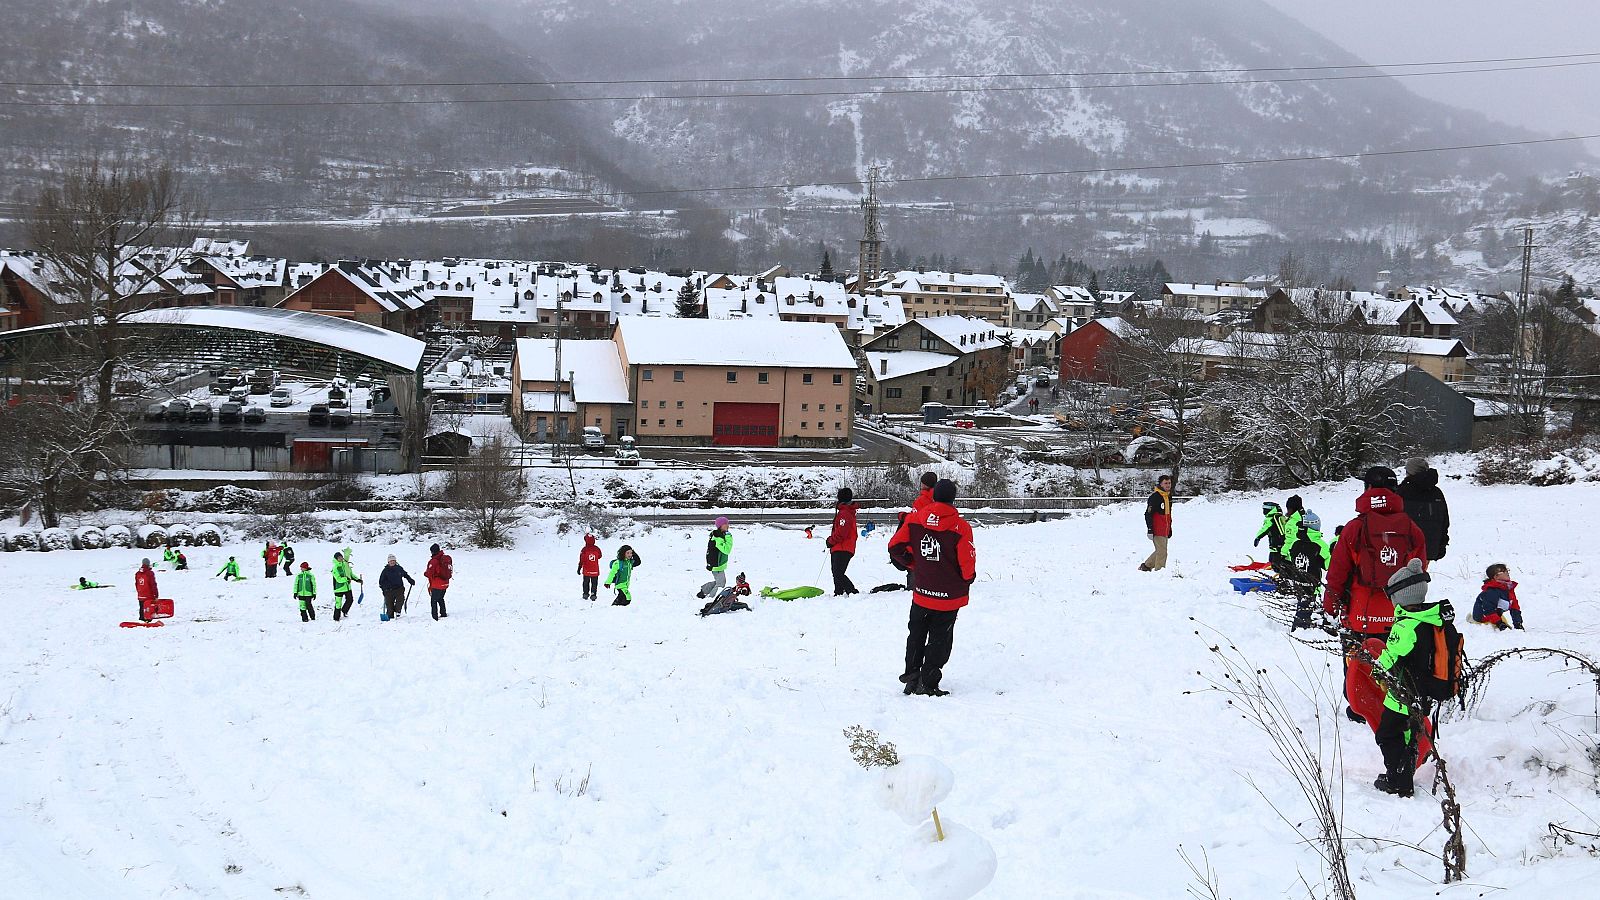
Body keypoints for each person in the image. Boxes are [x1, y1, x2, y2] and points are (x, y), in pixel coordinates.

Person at [1324, 466, 1426, 720]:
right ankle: (1397, 705)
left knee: (1358, 660)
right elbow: (1418, 569)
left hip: (1361, 614)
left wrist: (1330, 605)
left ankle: (1360, 708)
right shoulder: (1412, 529)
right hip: (1400, 613)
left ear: (1368, 489)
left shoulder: (1354, 528)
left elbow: (1337, 573)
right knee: (1397, 659)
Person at [1372, 559, 1453, 797]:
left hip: (1404, 691)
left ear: (1400, 597)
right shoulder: (1431, 618)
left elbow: (1391, 655)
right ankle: (1403, 776)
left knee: (1387, 734)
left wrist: (1376, 669)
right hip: (1425, 690)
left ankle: (1398, 782)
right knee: (1409, 733)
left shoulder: (1406, 625)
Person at [889, 478, 976, 697]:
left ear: (934, 496)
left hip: (922, 592)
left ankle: (911, 677)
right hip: (947, 596)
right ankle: (928, 682)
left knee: (916, 634)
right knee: (940, 639)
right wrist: (967, 579)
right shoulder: (961, 527)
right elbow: (967, 562)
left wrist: (913, 563)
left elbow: (895, 546)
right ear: (953, 499)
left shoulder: (915, 518)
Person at [1397, 457, 1450, 561]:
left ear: (1409, 472)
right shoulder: (1436, 493)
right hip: (1429, 549)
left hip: (1404, 549)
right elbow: (1444, 521)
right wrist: (1441, 545)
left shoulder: (1401, 491)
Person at [827, 488, 860, 596]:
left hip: (842, 547)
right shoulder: (845, 511)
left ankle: (852, 591)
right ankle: (839, 592)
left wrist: (831, 541)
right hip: (842, 547)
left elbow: (842, 532)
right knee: (836, 572)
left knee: (838, 573)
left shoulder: (844, 513)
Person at [1472, 563, 1524, 630]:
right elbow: (1488, 610)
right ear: (1495, 576)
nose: (1507, 573)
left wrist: (1518, 623)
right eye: (1504, 571)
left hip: (1495, 615)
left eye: (1507, 570)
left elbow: (1514, 607)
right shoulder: (1491, 591)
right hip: (1483, 617)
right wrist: (1499, 623)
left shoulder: (1508, 588)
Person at [1139, 474, 1174, 572]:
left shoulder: (1168, 496)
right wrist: (1150, 529)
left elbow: (1168, 514)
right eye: (1165, 483)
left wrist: (1169, 528)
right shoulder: (1155, 497)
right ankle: (1160, 573)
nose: (1168, 485)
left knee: (1161, 551)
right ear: (1161, 484)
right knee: (1162, 552)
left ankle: (1146, 566)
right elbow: (1148, 514)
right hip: (1157, 529)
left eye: (1169, 483)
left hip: (1165, 528)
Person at [698, 517, 733, 599]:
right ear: (720, 526)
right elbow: (726, 550)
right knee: (721, 583)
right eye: (726, 524)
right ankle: (712, 599)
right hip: (716, 565)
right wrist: (729, 537)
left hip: (719, 564)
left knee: (719, 582)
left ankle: (704, 591)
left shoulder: (720, 535)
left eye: (728, 523)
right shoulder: (718, 538)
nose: (728, 525)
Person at [378, 554, 415, 620]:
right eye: (391, 561)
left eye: (393, 561)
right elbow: (381, 581)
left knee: (400, 601)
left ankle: (397, 611)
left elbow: (405, 574)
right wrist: (384, 590)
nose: (392, 562)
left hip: (399, 589)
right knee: (389, 607)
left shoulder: (399, 568)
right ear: (388, 562)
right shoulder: (385, 570)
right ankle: (390, 615)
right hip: (388, 590)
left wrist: (410, 579)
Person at [1253, 501, 1287, 568]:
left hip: (1277, 542)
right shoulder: (1276, 517)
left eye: (1265, 509)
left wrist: (1258, 537)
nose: (1263, 511)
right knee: (1275, 556)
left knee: (1275, 558)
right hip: (1278, 542)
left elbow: (1265, 529)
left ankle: (1277, 568)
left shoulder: (1272, 518)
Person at [424, 543, 453, 620]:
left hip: (437, 584)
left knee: (434, 600)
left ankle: (435, 617)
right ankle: (443, 613)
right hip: (445, 583)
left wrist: (425, 573)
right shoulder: (445, 558)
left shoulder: (434, 561)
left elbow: (429, 573)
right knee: (441, 598)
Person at [331, 551, 362, 621]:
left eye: (341, 557)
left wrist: (357, 580)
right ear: (336, 559)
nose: (340, 558)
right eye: (339, 558)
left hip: (347, 587)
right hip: (338, 588)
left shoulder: (346, 565)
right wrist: (346, 579)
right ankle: (336, 617)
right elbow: (338, 579)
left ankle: (344, 610)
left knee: (350, 600)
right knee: (338, 604)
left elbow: (350, 574)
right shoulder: (335, 568)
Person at [578, 535, 603, 601]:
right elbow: (600, 556)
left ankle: (586, 594)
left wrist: (579, 567)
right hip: (595, 570)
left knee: (586, 582)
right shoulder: (597, 548)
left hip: (586, 570)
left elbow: (581, 560)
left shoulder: (584, 549)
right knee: (594, 583)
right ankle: (593, 594)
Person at [135, 558, 159, 622]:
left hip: (141, 594)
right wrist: (156, 595)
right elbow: (153, 585)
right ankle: (147, 621)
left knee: (142, 608)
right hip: (148, 595)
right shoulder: (150, 573)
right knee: (148, 609)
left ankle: (142, 619)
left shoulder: (137, 573)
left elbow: (136, 584)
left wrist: (139, 592)